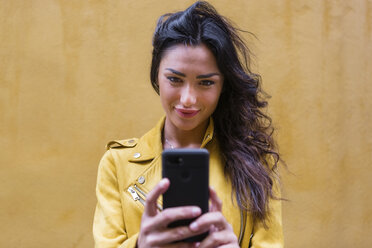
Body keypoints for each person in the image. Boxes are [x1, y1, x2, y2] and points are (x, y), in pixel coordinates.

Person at [93, 1, 283, 247]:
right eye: (175, 79)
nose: (187, 99)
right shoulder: (117, 164)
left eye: (206, 83)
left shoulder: (257, 163)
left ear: (223, 85)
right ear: (156, 76)